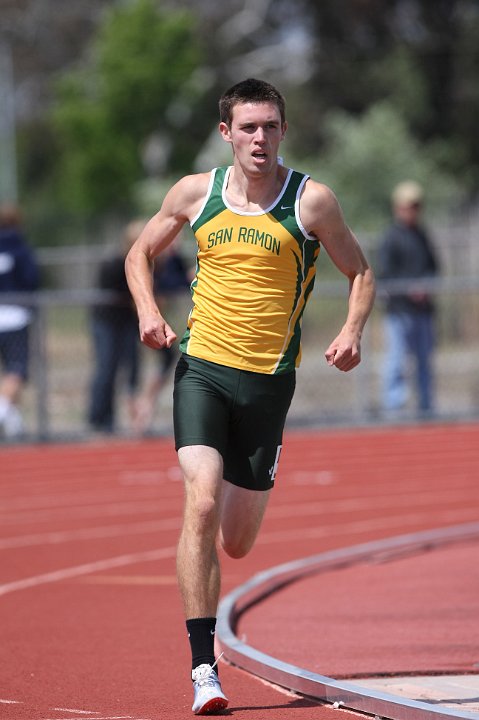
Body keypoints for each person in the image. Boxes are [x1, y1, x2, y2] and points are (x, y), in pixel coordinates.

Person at [125, 78, 375, 714]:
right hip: (202, 368)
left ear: (283, 130)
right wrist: (149, 310)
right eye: (249, 127)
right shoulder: (195, 193)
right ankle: (203, 669)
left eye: (270, 126)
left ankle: (252, 486)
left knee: (236, 543)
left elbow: (361, 271)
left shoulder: (310, 201)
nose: (260, 138)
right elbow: (140, 253)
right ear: (227, 133)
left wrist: (350, 331)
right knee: (201, 504)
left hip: (268, 385)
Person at [378, 180, 439, 416]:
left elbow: (434, 266)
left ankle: (426, 406)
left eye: (417, 205)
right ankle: (394, 408)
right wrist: (408, 288)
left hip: (423, 311)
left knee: (424, 360)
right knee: (396, 360)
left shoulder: (423, 235)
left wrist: (425, 285)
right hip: (399, 311)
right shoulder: (391, 237)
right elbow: (386, 272)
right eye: (409, 205)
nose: (413, 210)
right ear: (398, 208)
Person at [87, 220, 144, 434]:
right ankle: (99, 417)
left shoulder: (148, 264)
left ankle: (130, 415)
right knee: (106, 368)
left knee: (132, 367)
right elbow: (119, 294)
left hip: (127, 323)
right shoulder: (115, 263)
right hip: (106, 323)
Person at [134, 241, 192, 435]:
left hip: (175, 322)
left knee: (166, 366)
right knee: (159, 366)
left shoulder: (174, 261)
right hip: (158, 322)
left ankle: (146, 407)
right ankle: (144, 406)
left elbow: (182, 283)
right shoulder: (155, 264)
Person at [0, 204, 40, 439]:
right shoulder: (20, 249)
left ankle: (14, 423)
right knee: (16, 369)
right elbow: (31, 279)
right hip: (15, 316)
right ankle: (4, 411)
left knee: (10, 372)